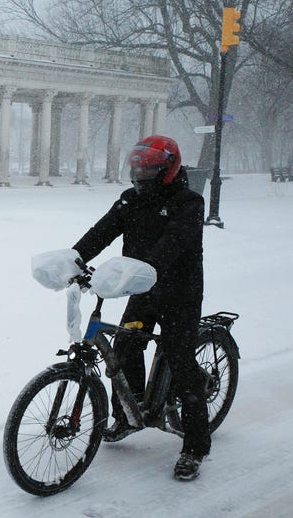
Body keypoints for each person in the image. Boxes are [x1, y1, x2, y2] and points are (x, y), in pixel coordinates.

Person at [71, 135, 208, 481]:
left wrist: (139, 270)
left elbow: (172, 244)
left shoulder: (189, 203)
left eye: (148, 169)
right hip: (141, 289)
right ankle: (128, 416)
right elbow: (100, 232)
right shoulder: (130, 200)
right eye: (137, 169)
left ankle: (195, 446)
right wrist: (74, 258)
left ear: (167, 169)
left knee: (181, 362)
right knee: (125, 348)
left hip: (180, 294)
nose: (140, 175)